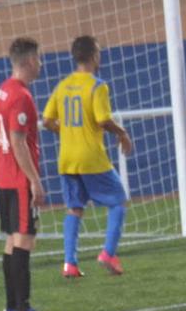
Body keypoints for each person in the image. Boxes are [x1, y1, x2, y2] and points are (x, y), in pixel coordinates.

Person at [42, 35, 134, 277]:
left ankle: (69, 264)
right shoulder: (97, 85)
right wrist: (122, 133)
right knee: (118, 201)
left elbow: (47, 120)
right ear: (94, 56)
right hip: (91, 158)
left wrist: (68, 131)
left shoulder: (62, 85)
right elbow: (103, 119)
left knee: (74, 208)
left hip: (67, 159)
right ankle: (108, 253)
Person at [0, 37, 55, 311]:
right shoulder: (21, 96)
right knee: (25, 241)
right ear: (29, 61)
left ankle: (11, 307)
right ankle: (23, 309)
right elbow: (18, 142)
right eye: (39, 59)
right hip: (18, 179)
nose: (40, 64)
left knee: (11, 241)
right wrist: (34, 181)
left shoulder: (3, 91)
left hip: (3, 176)